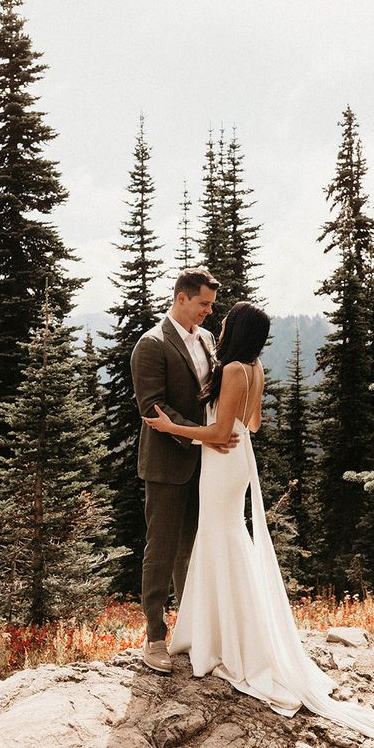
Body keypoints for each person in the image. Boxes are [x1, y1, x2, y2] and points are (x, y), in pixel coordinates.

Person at [143, 301, 374, 748]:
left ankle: (226, 639)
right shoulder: (253, 367)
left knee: (220, 537)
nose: (221, 323)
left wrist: (174, 426)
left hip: (221, 461)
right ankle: (218, 631)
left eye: (227, 320)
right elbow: (252, 424)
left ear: (238, 330)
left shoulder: (231, 369)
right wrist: (224, 430)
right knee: (224, 538)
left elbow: (220, 432)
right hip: (237, 460)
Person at [130, 267, 239, 674]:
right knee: (161, 549)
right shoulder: (151, 344)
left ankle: (192, 632)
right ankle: (154, 637)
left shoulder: (208, 338)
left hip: (208, 462)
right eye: (203, 304)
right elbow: (152, 408)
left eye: (211, 305)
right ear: (181, 298)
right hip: (167, 462)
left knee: (194, 547)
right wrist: (202, 436)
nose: (209, 312)